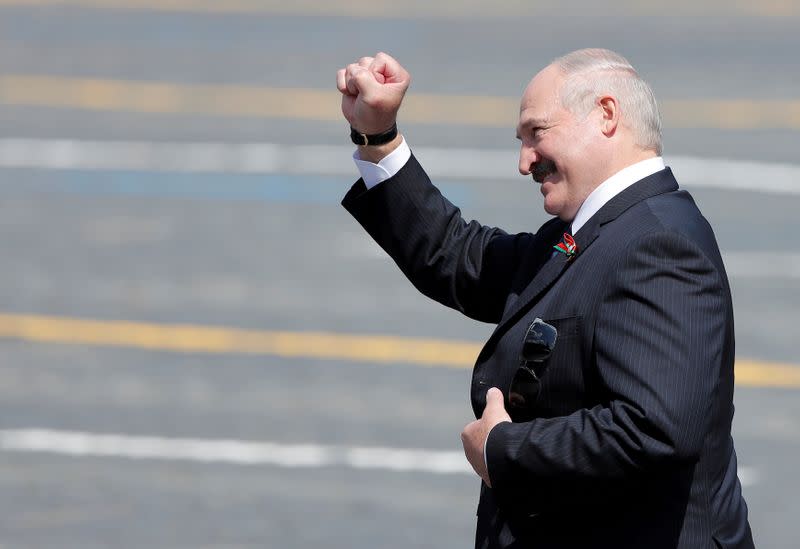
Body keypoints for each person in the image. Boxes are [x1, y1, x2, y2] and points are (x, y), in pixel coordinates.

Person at [336, 49, 754, 549]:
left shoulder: (658, 243)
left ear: (606, 114)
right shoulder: (599, 231)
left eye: (537, 132)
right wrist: (380, 137)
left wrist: (503, 450)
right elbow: (460, 257)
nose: (524, 161)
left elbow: (656, 429)